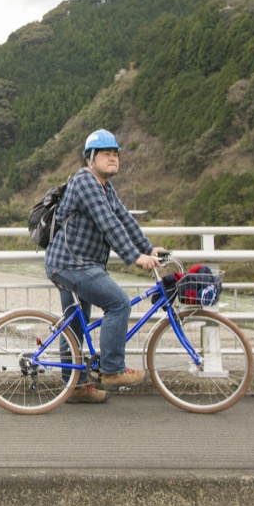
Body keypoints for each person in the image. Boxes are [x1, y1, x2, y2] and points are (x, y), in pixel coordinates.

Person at [44, 129, 166, 404]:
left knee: (75, 325)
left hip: (72, 264)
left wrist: (147, 248)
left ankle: (74, 387)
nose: (113, 159)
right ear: (90, 158)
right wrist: (134, 257)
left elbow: (124, 219)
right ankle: (112, 370)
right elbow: (108, 224)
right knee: (119, 303)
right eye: (106, 154)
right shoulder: (85, 182)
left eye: (116, 154)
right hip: (72, 264)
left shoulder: (104, 187)